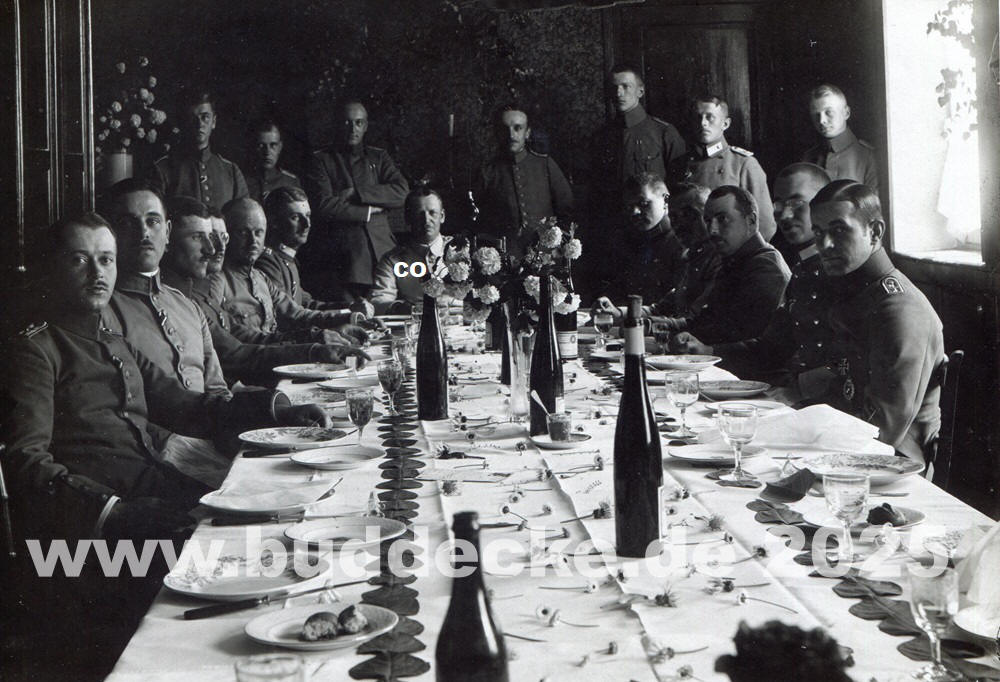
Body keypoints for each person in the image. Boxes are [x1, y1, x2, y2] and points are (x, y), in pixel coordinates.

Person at [0, 213, 328, 676]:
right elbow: (26, 462)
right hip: (91, 537)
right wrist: (115, 512)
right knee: (248, 571)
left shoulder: (111, 339)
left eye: (106, 260)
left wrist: (276, 409)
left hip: (154, 492)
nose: (97, 273)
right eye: (79, 260)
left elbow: (182, 404)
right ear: (52, 267)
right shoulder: (35, 349)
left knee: (282, 528)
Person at [159, 198, 368, 389]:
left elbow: (290, 316)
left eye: (258, 233)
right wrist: (313, 348)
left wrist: (335, 327)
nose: (214, 248)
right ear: (167, 238)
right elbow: (237, 353)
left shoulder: (257, 277)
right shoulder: (210, 286)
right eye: (198, 237)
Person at [809, 180, 944, 462]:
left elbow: (883, 429)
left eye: (839, 230)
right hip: (849, 443)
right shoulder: (861, 293)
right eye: (818, 232)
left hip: (893, 463)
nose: (824, 245)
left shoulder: (899, 309)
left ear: (875, 232)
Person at [674, 164, 833, 386]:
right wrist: (707, 351)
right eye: (778, 204)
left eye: (797, 203)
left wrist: (797, 392)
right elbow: (771, 346)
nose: (784, 215)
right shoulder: (801, 269)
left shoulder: (770, 266)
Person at [217, 197, 365, 341]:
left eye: (259, 232)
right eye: (243, 233)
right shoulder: (217, 283)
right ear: (226, 236)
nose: (253, 241)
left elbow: (297, 313)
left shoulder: (260, 278)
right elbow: (244, 343)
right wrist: (313, 338)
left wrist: (352, 317)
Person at [304, 99, 409, 301]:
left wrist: (357, 194)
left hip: (384, 251)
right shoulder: (322, 160)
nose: (353, 129)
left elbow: (401, 191)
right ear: (337, 125)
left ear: (366, 126)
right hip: (346, 257)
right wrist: (368, 211)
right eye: (347, 122)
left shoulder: (379, 157)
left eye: (358, 123)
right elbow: (324, 205)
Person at [661, 186, 789, 345]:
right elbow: (706, 322)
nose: (712, 230)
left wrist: (705, 348)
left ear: (751, 220)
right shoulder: (732, 262)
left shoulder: (765, 268)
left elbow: (748, 340)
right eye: (708, 221)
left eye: (722, 219)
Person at [672, 95, 776, 242]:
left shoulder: (743, 164)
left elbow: (765, 224)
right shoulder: (680, 164)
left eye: (710, 117)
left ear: (725, 124)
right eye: (698, 117)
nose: (703, 123)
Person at [590, 64, 686, 217]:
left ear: (640, 91)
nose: (619, 93)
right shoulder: (601, 137)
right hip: (614, 221)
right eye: (614, 88)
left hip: (652, 219)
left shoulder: (664, 132)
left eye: (625, 86)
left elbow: (679, 185)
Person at [473, 104, 574, 251]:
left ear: (527, 133)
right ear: (497, 133)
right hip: (503, 256)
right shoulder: (487, 172)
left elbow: (567, 209)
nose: (511, 135)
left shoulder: (545, 165)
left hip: (544, 255)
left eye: (518, 128)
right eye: (504, 129)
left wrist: (556, 243)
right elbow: (477, 219)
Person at [256, 186, 365, 312]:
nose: (307, 224)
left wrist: (351, 308)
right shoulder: (268, 262)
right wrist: (348, 316)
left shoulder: (287, 258)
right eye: (295, 217)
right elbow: (288, 313)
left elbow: (306, 304)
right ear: (274, 222)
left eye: (308, 215)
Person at [590, 172, 684, 315]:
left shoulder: (681, 242)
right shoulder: (629, 241)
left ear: (666, 201)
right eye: (629, 207)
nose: (634, 212)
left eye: (643, 204)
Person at [149, 90, 248, 210]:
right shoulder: (163, 169)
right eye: (192, 118)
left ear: (214, 122)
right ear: (184, 122)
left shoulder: (231, 171)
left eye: (205, 117)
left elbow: (244, 216)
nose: (199, 124)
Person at [371, 187, 452, 314]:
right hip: (415, 321)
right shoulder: (393, 260)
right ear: (408, 218)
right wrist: (405, 308)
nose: (426, 220)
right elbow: (379, 300)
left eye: (432, 213)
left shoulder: (462, 252)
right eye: (419, 214)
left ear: (442, 216)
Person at [802, 84, 878, 191]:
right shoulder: (809, 157)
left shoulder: (869, 157)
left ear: (846, 113)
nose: (822, 120)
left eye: (829, 112)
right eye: (816, 114)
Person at [246, 121, 301, 202]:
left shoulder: (291, 181)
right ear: (254, 147)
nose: (267, 152)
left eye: (273, 145)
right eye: (261, 145)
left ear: (280, 147)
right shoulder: (242, 181)